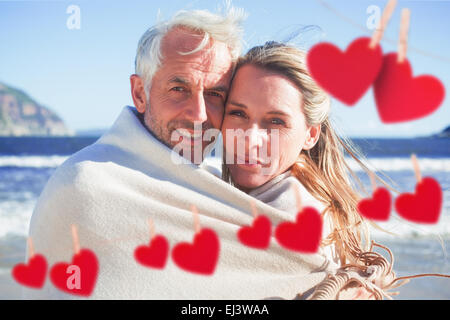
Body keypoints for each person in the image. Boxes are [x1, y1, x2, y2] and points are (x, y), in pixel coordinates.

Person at [24, 8, 347, 300]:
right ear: (140, 93)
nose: (198, 114)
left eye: (215, 94)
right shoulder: (87, 184)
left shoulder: (225, 196)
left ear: (310, 133)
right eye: (179, 89)